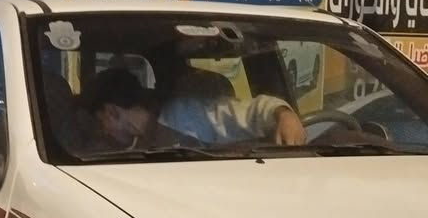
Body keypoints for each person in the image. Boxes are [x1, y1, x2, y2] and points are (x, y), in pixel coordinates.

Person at [82, 67, 305, 150]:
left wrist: (284, 115)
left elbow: (250, 112)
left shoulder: (184, 114)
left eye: (101, 123)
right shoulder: (139, 147)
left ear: (112, 112)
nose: (103, 131)